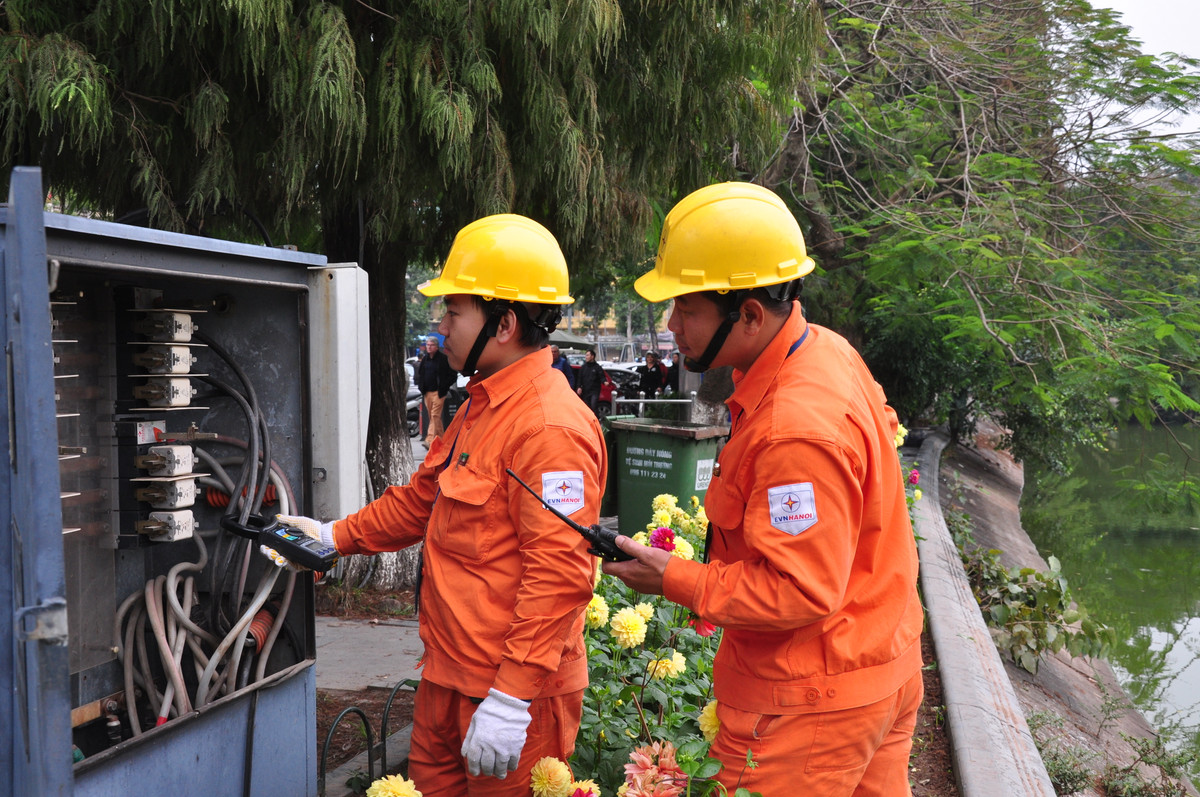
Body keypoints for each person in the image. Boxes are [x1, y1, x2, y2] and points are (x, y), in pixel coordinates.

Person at [604, 182, 923, 796]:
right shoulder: (827, 353)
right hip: (878, 669)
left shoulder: (793, 428)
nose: (672, 326)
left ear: (749, 314)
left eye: (686, 308)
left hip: (807, 705)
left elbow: (800, 588)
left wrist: (673, 578)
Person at [273, 214, 607, 796]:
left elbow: (559, 575)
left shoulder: (550, 427)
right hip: (448, 680)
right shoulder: (482, 403)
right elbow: (419, 503)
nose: (441, 326)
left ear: (504, 323)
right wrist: (330, 537)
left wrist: (511, 698)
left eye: (453, 312)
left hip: (511, 701)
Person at [416, 335, 455, 447]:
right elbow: (420, 374)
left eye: (431, 345)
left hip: (438, 393)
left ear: (437, 347)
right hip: (427, 392)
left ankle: (429, 440)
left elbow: (452, 375)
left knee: (435, 415)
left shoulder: (443, 359)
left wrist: (444, 386)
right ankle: (442, 440)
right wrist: (421, 387)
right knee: (433, 417)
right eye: (427, 345)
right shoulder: (425, 359)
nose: (429, 347)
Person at [575, 349, 605, 416]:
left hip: (594, 391)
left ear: (592, 356)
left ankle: (596, 419)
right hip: (586, 391)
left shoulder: (597, 367)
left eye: (587, 355)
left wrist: (604, 381)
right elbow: (579, 378)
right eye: (586, 355)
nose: (586, 357)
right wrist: (579, 387)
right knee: (586, 407)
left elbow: (602, 376)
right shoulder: (583, 368)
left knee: (593, 405)